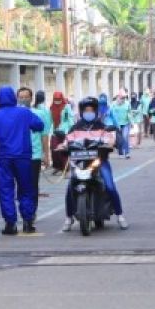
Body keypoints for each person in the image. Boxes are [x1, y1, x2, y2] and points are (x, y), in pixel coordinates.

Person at [0, 85, 45, 235]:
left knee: (5, 191)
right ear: (13, 97)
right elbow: (39, 125)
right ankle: (28, 222)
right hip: (23, 156)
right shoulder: (24, 113)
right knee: (26, 189)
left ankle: (11, 224)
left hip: (3, 158)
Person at [60, 96, 128, 232]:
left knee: (110, 186)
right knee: (70, 187)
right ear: (81, 111)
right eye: (86, 110)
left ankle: (120, 215)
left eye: (91, 110)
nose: (88, 112)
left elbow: (110, 140)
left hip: (100, 162)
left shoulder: (103, 127)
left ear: (96, 111)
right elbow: (66, 141)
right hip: (79, 163)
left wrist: (110, 143)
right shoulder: (75, 128)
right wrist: (62, 146)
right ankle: (68, 217)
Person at [18, 86, 52, 200]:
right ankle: (24, 208)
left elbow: (44, 136)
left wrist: (46, 155)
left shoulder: (40, 114)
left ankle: (31, 210)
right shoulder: (13, 116)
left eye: (26, 97)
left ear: (31, 98)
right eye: (21, 97)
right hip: (18, 156)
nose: (23, 100)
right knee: (21, 185)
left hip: (34, 155)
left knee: (32, 185)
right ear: (17, 99)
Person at [106, 90, 133, 159]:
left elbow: (129, 113)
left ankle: (127, 153)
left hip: (126, 123)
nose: (123, 99)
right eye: (121, 98)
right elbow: (109, 113)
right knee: (119, 140)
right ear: (117, 97)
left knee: (125, 137)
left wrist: (131, 122)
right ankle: (120, 153)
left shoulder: (127, 104)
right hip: (117, 124)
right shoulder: (113, 104)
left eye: (124, 98)